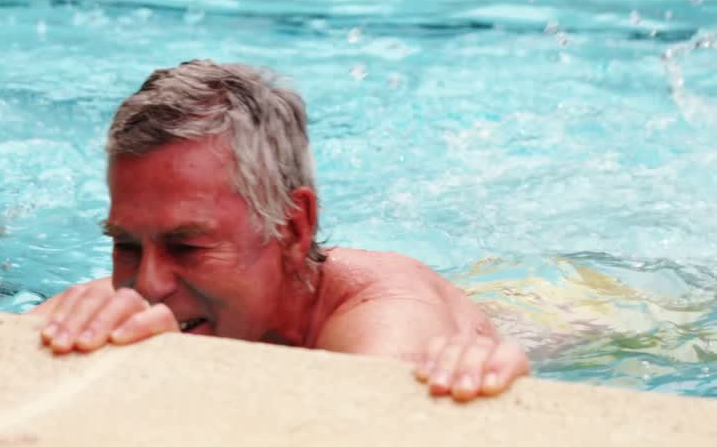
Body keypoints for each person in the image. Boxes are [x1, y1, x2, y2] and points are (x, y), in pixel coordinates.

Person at [33, 60, 530, 402]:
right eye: (125, 244)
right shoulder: (165, 289)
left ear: (292, 230)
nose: (147, 285)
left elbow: (365, 434)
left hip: (564, 316)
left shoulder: (387, 322)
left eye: (187, 246)